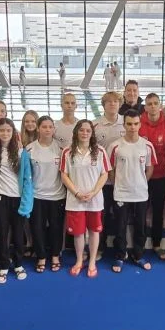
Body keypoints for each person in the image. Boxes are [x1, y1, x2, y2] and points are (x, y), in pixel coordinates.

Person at [0, 118, 33, 284]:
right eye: (2, 130)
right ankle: (4, 265)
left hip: (17, 197)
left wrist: (26, 203)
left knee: (18, 233)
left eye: (8, 130)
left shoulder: (21, 152)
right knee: (2, 233)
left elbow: (27, 179)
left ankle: (18, 264)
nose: (5, 133)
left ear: (14, 133)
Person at [61, 119, 110, 277]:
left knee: (94, 232)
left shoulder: (100, 151)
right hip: (75, 201)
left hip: (94, 201)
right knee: (78, 233)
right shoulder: (67, 151)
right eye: (81, 130)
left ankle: (92, 261)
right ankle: (79, 261)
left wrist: (94, 192)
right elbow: (64, 175)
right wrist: (77, 193)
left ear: (92, 133)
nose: (84, 133)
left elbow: (105, 174)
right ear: (76, 132)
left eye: (88, 130)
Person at [109, 111, 155, 272]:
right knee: (120, 227)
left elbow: (150, 168)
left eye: (135, 124)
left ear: (140, 124)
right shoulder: (115, 146)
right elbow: (110, 169)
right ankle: (120, 255)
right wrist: (118, 184)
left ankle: (138, 255)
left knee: (140, 227)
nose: (132, 127)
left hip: (141, 194)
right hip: (121, 193)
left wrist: (141, 183)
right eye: (129, 124)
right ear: (124, 125)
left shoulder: (147, 146)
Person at [27, 116, 65, 273]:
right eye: (44, 127)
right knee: (37, 228)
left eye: (50, 127)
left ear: (54, 129)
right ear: (38, 128)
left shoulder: (61, 149)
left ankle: (55, 256)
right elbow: (26, 174)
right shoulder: (29, 149)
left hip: (57, 196)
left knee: (56, 227)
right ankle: (41, 256)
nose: (47, 130)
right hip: (37, 196)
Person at [139, 92, 165, 260]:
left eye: (155, 103)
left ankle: (157, 244)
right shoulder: (138, 123)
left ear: (160, 106)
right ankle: (139, 245)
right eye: (149, 104)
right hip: (141, 176)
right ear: (145, 107)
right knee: (140, 211)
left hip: (160, 175)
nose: (152, 106)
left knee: (158, 211)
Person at [95, 92, 125, 253]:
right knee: (102, 214)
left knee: (121, 217)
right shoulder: (95, 125)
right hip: (102, 180)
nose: (112, 104)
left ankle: (120, 250)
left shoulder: (126, 123)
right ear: (103, 105)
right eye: (109, 101)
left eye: (115, 101)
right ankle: (100, 247)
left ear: (120, 104)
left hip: (122, 180)